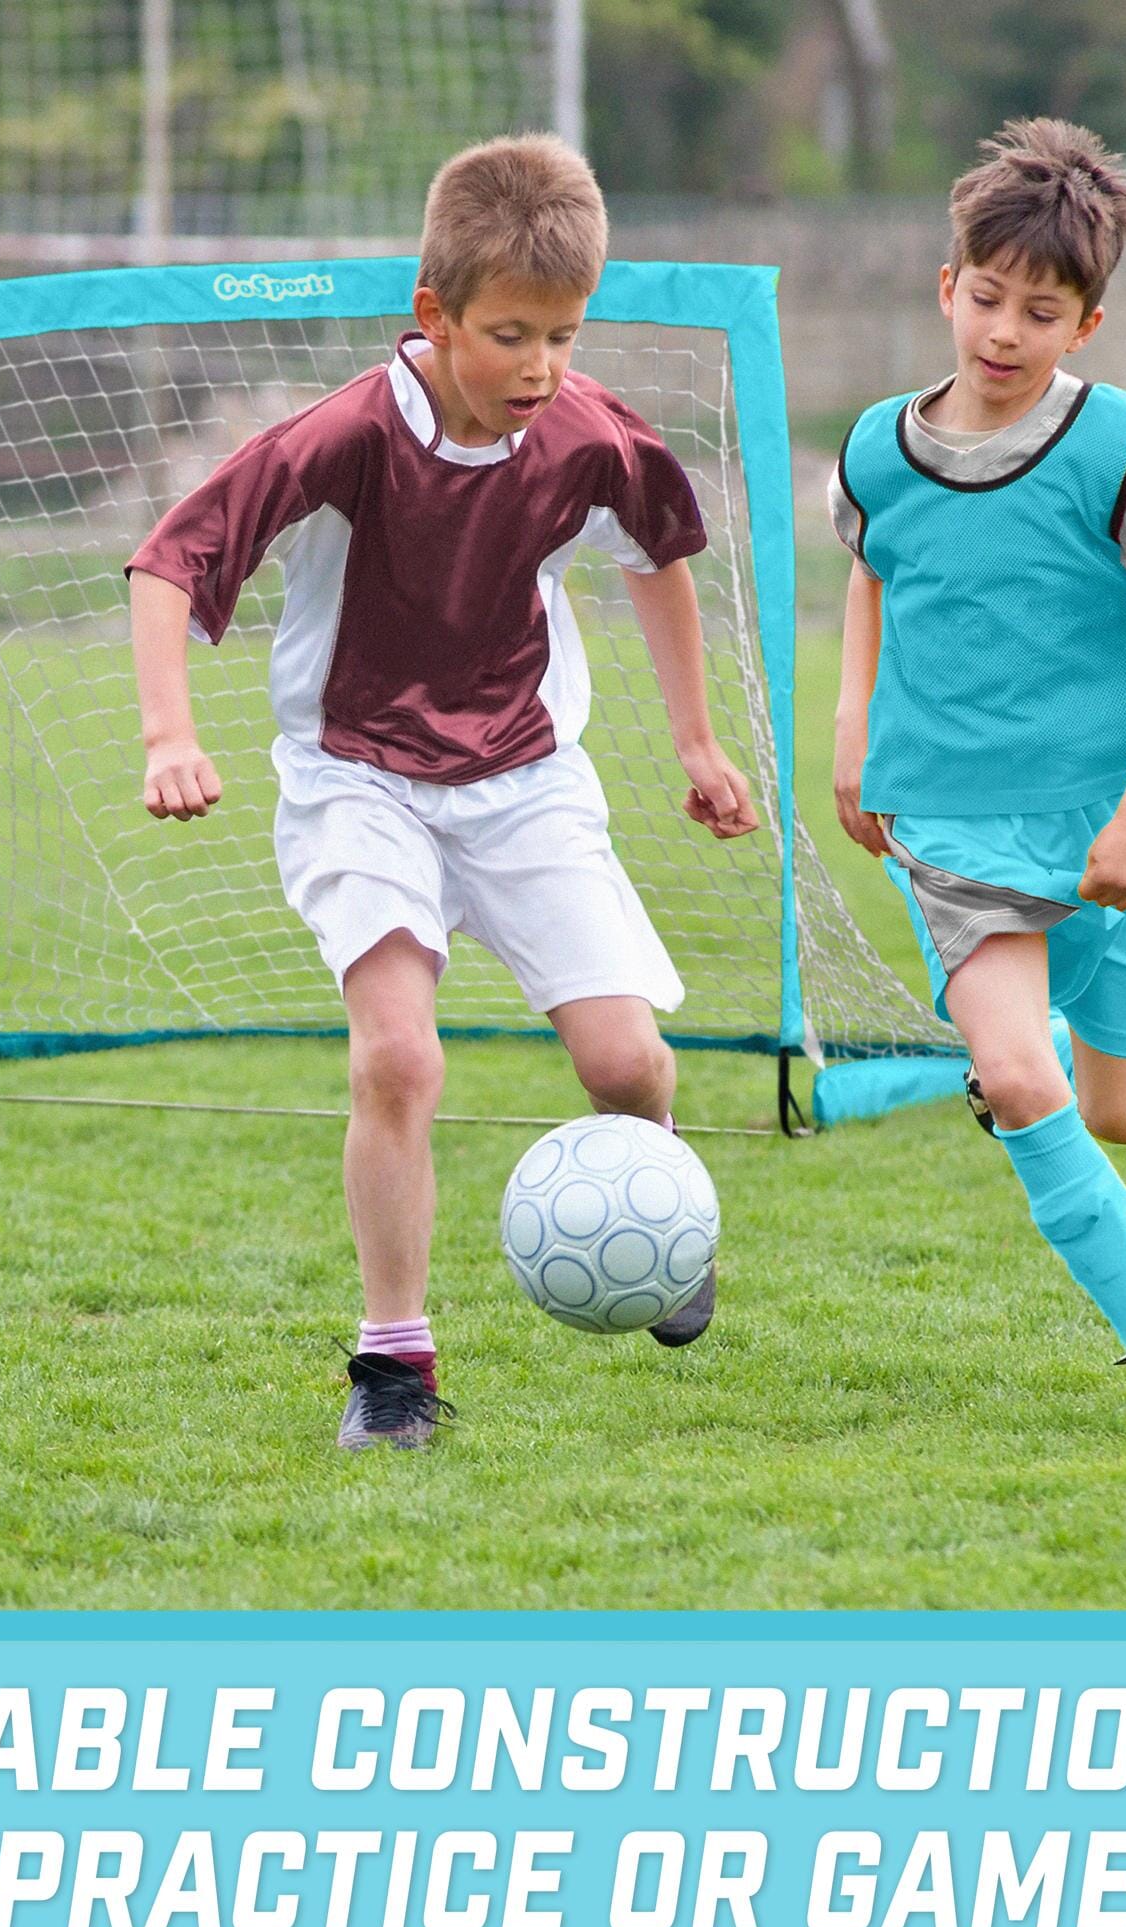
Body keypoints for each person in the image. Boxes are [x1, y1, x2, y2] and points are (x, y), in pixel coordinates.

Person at [127, 134, 759, 1451]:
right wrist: (166, 733)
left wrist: (698, 742)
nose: (541, 366)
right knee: (401, 1055)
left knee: (628, 1063)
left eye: (564, 337)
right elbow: (167, 564)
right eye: (512, 334)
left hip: (524, 779)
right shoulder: (350, 434)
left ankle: (664, 1223)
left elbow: (658, 556)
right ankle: (394, 1369)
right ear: (435, 316)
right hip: (356, 780)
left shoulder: (583, 432)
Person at [829, 117, 1126, 1414]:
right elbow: (872, 577)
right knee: (1013, 1076)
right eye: (986, 298)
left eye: (1039, 312)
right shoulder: (880, 448)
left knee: (1124, 1115)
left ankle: (1109, 968)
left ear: (1085, 327)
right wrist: (854, 736)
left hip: (1111, 823)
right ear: (948, 287)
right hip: (948, 813)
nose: (1003, 332)